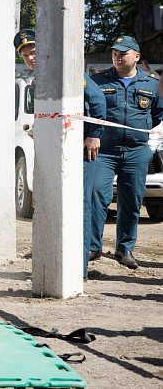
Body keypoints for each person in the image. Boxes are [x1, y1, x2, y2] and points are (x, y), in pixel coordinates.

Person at [13, 29, 106, 279]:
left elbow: (97, 100)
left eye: (33, 52)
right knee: (57, 205)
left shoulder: (67, 72)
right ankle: (59, 265)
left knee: (80, 206)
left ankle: (80, 269)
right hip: (57, 150)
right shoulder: (38, 78)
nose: (31, 58)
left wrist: (93, 134)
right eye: (25, 55)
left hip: (81, 150)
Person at [89, 36, 163, 269]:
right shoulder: (98, 80)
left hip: (136, 151)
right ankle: (93, 246)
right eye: (115, 53)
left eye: (123, 53)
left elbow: (158, 114)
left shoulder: (151, 83)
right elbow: (88, 110)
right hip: (104, 151)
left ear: (137, 57)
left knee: (131, 201)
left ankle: (125, 248)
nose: (118, 57)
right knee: (97, 195)